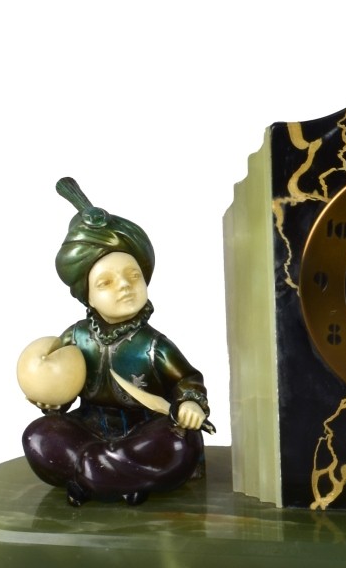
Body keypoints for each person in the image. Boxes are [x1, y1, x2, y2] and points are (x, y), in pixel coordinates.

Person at [20, 178, 212, 505]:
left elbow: (186, 379)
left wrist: (190, 404)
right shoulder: (76, 338)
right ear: (87, 295)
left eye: (133, 276)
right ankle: (118, 477)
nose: (124, 286)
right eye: (106, 282)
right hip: (90, 428)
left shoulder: (153, 346)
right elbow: (61, 382)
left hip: (144, 431)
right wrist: (52, 401)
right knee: (40, 435)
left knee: (180, 442)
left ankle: (89, 476)